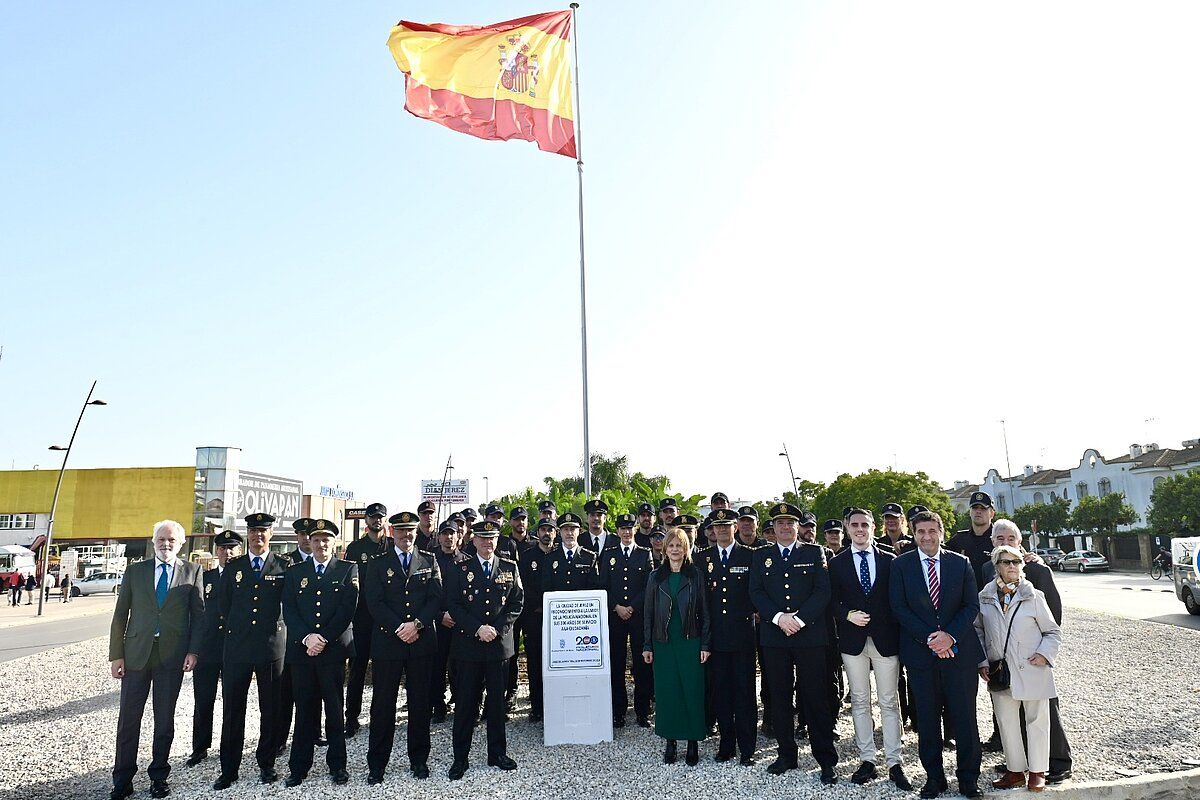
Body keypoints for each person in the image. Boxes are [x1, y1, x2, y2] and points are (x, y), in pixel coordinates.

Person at [889, 510, 984, 799]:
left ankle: (968, 778)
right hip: (921, 654)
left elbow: (971, 605)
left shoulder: (961, 563)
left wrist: (949, 636)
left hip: (959, 654)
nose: (927, 537)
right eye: (921, 532)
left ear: (941, 532)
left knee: (965, 718)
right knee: (927, 720)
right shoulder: (901, 565)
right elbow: (899, 607)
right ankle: (934, 777)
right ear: (914, 534)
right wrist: (931, 638)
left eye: (932, 531)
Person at [109, 520, 204, 800]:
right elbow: (120, 615)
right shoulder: (135, 571)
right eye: (161, 539)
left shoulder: (192, 571)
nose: (166, 544)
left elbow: (199, 617)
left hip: (171, 657)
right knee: (129, 720)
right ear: (153, 542)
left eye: (171, 540)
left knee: (164, 721)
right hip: (136, 655)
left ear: (181, 543)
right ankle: (122, 779)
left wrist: (193, 651)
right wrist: (116, 655)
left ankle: (159, 776)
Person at [750, 502, 838, 784]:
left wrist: (799, 620)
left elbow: (822, 591)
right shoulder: (761, 556)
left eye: (790, 523)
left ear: (798, 527)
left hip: (809, 635)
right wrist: (778, 618)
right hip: (775, 636)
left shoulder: (815, 553)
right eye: (780, 523)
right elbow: (756, 592)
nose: (785, 528)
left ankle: (825, 758)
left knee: (815, 697)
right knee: (779, 697)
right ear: (773, 528)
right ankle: (787, 754)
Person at [981, 520, 1071, 784]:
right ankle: (1017, 765)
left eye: (1011, 537)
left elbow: (1053, 615)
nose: (1005, 542)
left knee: (1043, 713)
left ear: (1020, 543)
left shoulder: (1037, 569)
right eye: (1000, 538)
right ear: (992, 543)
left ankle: (1056, 762)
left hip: (1032, 657)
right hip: (1003, 661)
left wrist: (1044, 651)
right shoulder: (987, 570)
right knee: (1010, 714)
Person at [829, 509, 912, 790]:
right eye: (855, 525)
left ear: (874, 527)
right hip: (853, 643)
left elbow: (899, 599)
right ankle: (867, 759)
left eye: (865, 524)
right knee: (861, 701)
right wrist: (846, 615)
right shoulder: (837, 563)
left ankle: (894, 761)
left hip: (886, 640)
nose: (860, 529)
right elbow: (830, 602)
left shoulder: (890, 560)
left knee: (889, 701)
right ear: (847, 528)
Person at [364, 511, 443, 784]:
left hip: (421, 642)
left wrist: (417, 625)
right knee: (383, 705)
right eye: (400, 531)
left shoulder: (429, 560)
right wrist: (400, 627)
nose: (406, 536)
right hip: (389, 642)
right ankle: (377, 764)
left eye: (410, 531)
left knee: (420, 704)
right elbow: (373, 602)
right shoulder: (377, 563)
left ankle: (419, 760)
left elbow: (436, 598)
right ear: (391, 533)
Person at [213, 512, 290, 790]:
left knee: (270, 709)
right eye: (254, 531)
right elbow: (224, 605)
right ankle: (229, 768)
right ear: (248, 535)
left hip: (271, 647)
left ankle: (266, 763)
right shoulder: (235, 567)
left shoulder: (284, 565)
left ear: (271, 535)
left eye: (263, 531)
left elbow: (288, 604)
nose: (258, 536)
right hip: (238, 647)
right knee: (233, 709)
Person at [444, 521, 524, 780]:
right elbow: (453, 604)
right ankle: (460, 757)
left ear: (497, 540)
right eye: (482, 538)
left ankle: (497, 753)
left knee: (497, 704)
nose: (487, 543)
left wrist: (496, 629)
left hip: (498, 646)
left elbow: (516, 602)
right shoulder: (460, 568)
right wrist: (478, 628)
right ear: (473, 540)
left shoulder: (510, 567)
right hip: (469, 645)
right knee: (466, 703)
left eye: (492, 538)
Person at [282, 519, 358, 787]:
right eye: (316, 540)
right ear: (309, 542)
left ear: (334, 543)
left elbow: (347, 609)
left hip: (332, 650)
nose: (321, 544)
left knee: (334, 710)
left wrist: (323, 638)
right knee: (304, 710)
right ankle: (299, 767)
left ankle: (338, 765)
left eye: (326, 540)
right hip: (304, 651)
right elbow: (289, 610)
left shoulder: (348, 570)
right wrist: (307, 638)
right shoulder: (295, 572)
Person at [643, 526, 710, 766]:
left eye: (678, 546)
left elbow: (705, 611)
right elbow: (648, 613)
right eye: (670, 545)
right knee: (668, 692)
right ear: (664, 548)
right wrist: (647, 645)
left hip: (690, 641)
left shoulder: (695, 575)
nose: (674, 550)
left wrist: (705, 643)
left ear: (686, 548)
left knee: (691, 691)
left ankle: (692, 741)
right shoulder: (655, 576)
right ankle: (670, 741)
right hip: (663, 642)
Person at [696, 508, 757, 764]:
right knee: (721, 694)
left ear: (735, 527)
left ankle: (747, 748)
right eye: (717, 526)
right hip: (716, 637)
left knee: (744, 692)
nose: (721, 530)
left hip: (743, 635)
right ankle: (726, 745)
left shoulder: (750, 556)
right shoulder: (703, 558)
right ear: (712, 530)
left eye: (726, 525)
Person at [187, 530, 241, 768]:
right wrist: (193, 649)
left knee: (232, 701)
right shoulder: (204, 577)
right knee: (203, 700)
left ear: (239, 551)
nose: (227, 553)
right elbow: (195, 615)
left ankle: (229, 746)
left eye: (231, 548)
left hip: (234, 648)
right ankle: (199, 747)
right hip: (208, 648)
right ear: (216, 552)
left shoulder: (245, 577)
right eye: (222, 548)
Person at [599, 513, 654, 729]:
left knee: (642, 664)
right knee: (617, 663)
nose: (626, 532)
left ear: (635, 529)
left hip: (637, 616)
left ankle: (642, 711)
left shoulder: (644, 553)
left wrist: (632, 607)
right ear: (617, 531)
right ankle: (618, 712)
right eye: (622, 528)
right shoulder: (609, 554)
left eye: (629, 528)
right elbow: (603, 585)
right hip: (616, 616)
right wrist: (616, 607)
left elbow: (648, 586)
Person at [343, 501, 391, 737]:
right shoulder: (355, 548)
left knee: (384, 671)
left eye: (380, 517)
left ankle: (380, 717)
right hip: (362, 619)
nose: (376, 521)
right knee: (357, 670)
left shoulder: (391, 546)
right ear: (366, 521)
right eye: (372, 517)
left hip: (387, 620)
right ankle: (351, 718)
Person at [278, 518, 322, 756]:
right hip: (290, 636)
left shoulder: (324, 562)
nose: (306, 538)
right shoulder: (286, 562)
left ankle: (314, 731)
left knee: (315, 688)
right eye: (302, 534)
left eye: (310, 534)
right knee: (287, 691)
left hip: (318, 637)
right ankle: (281, 737)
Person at [431, 520, 469, 723]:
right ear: (439, 537)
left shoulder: (467, 560)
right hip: (437, 622)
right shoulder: (429, 560)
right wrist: (439, 615)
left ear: (458, 536)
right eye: (444, 533)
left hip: (459, 623)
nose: (448, 537)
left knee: (460, 666)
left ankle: (462, 704)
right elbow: (426, 595)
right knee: (437, 667)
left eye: (452, 533)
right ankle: (438, 706)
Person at [519, 518, 556, 722]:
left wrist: (551, 606)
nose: (546, 533)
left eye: (550, 530)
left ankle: (554, 703)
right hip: (534, 616)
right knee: (534, 662)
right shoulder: (527, 556)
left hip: (557, 619)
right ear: (538, 532)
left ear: (555, 532)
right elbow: (523, 586)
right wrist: (541, 605)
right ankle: (537, 707)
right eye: (543, 529)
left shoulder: (559, 555)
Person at [946, 491, 996, 590]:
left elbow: (1021, 558)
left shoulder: (1000, 538)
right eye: (975, 508)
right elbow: (938, 553)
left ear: (992, 513)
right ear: (970, 512)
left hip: (994, 599)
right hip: (966, 599)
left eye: (983, 508)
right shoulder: (959, 539)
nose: (978, 511)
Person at [540, 513, 600, 591]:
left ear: (579, 531)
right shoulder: (550, 558)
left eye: (572, 529)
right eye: (565, 529)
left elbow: (595, 588)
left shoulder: (590, 557)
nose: (569, 533)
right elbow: (546, 588)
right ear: (560, 532)